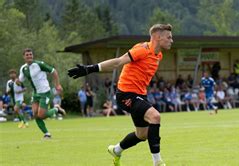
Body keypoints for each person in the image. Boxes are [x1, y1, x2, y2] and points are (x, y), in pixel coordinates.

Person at [68, 23, 173, 166]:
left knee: (142, 135)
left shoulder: (158, 55)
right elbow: (118, 62)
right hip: (126, 94)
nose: (171, 40)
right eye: (169, 37)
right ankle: (158, 162)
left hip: (140, 95)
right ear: (158, 37)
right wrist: (89, 69)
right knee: (155, 116)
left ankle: (116, 150)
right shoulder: (142, 49)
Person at [18, 48, 66, 139]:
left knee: (41, 115)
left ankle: (56, 109)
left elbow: (53, 71)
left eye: (30, 54)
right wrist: (16, 82)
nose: (29, 56)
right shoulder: (23, 68)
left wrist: (57, 85)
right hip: (35, 94)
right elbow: (20, 80)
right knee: (35, 114)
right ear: (23, 57)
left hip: (45, 92)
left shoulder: (39, 64)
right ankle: (47, 134)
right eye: (27, 55)